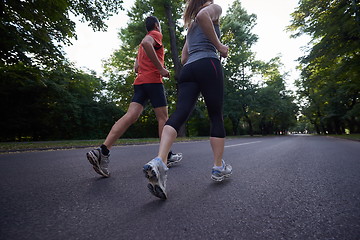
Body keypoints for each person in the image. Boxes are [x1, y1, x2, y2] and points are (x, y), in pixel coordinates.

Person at [143, 0, 232, 200]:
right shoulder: (213, 9)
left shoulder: (190, 27)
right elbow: (203, 16)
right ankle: (218, 167)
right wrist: (219, 46)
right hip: (209, 63)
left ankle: (160, 161)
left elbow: (183, 58)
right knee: (215, 115)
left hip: (189, 69)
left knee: (179, 114)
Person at [86, 16, 182, 178]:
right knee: (163, 118)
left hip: (140, 82)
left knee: (131, 115)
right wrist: (160, 68)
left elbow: (136, 67)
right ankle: (165, 157)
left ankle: (102, 151)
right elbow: (147, 43)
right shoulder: (155, 35)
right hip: (153, 81)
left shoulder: (141, 47)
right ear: (157, 25)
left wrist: (147, 67)